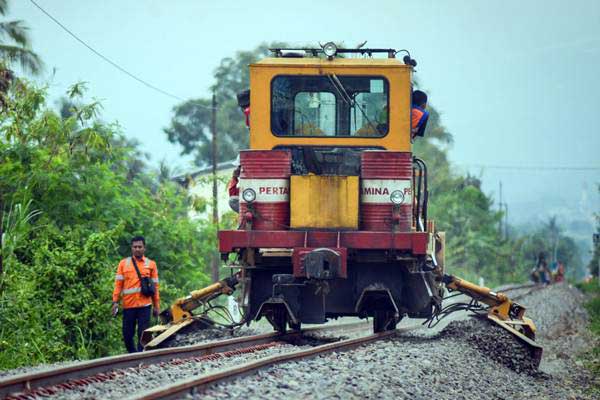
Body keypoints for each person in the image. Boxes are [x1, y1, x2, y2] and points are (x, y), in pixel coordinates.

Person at [112, 236, 160, 353]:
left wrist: (156, 306)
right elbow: (118, 284)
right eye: (135, 247)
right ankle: (132, 355)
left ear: (144, 248)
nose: (137, 249)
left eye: (140, 247)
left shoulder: (151, 264)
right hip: (129, 306)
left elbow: (155, 287)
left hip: (145, 306)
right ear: (131, 248)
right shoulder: (123, 264)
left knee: (143, 334)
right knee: (127, 334)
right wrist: (115, 302)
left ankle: (139, 355)